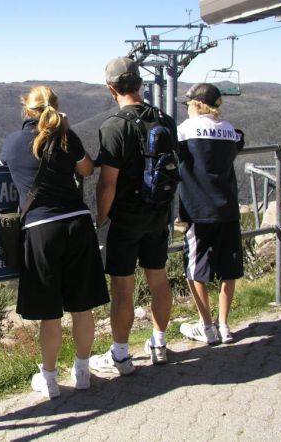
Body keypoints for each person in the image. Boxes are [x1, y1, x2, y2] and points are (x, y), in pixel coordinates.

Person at [0, 85, 109, 399]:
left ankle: (48, 379)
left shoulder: (13, 142)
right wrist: (66, 130)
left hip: (42, 229)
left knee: (51, 313)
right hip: (78, 224)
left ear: (27, 110)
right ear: (56, 107)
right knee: (82, 307)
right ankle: (83, 373)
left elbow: (6, 165)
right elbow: (87, 169)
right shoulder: (66, 137)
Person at [90, 57, 176, 374]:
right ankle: (159, 343)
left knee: (123, 289)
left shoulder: (114, 127)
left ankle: (121, 356)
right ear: (139, 83)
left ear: (111, 88)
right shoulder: (165, 120)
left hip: (126, 219)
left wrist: (101, 219)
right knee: (158, 278)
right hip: (158, 213)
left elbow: (107, 184)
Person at [177, 83, 245, 345]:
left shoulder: (183, 131)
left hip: (198, 211)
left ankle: (207, 327)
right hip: (227, 208)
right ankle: (225, 325)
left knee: (195, 270)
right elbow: (240, 138)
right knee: (229, 270)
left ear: (196, 105)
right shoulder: (230, 131)